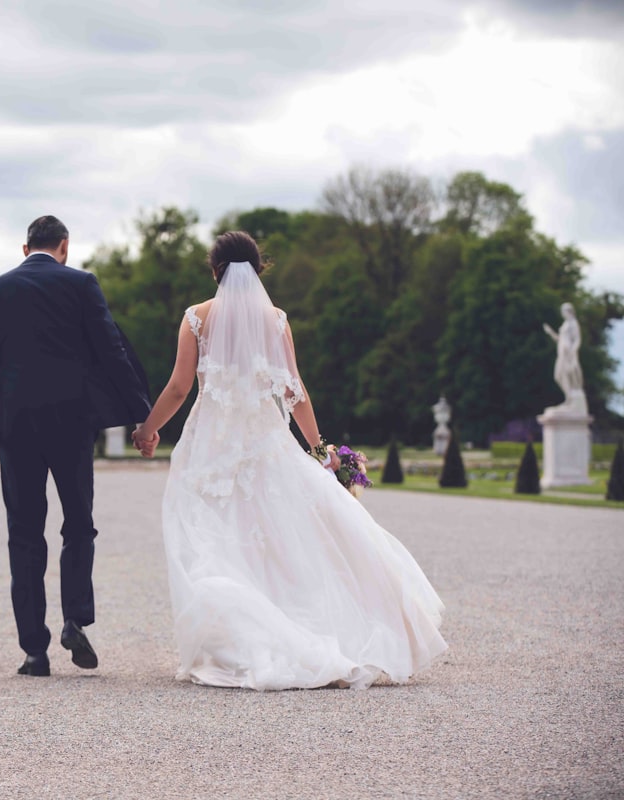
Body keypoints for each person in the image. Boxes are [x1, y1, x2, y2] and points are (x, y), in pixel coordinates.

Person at [131, 231, 447, 690]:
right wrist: (320, 452)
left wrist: (147, 429)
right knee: (282, 537)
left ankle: (236, 640)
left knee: (213, 538)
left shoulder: (196, 318)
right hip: (266, 444)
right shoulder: (276, 321)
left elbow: (179, 388)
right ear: (259, 270)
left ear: (215, 271)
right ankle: (294, 629)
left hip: (212, 447)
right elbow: (294, 392)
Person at [0, 215, 152, 677]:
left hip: (16, 425)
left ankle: (34, 651)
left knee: (25, 533)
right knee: (79, 524)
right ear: (64, 246)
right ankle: (75, 619)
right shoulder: (81, 284)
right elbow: (111, 350)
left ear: (25, 248)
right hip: (72, 421)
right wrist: (142, 414)